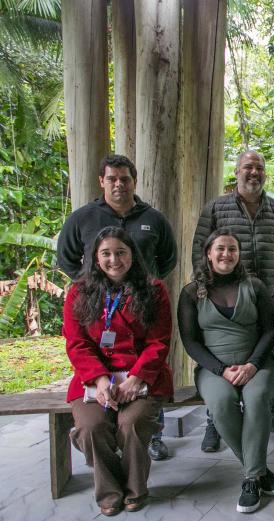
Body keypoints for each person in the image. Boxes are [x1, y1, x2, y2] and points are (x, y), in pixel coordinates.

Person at [57, 154, 177, 462]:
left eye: (125, 178)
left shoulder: (154, 218)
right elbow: (67, 257)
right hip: (98, 308)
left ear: (134, 181)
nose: (119, 184)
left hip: (142, 304)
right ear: (102, 182)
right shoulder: (83, 218)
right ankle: (101, 437)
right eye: (112, 178)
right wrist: (94, 286)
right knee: (100, 380)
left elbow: (168, 259)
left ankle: (153, 436)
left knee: (148, 367)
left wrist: (141, 287)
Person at [193, 150, 274, 449]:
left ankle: (272, 412)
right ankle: (215, 422)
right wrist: (206, 291)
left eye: (259, 168)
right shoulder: (216, 208)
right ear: (237, 172)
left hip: (269, 299)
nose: (254, 173)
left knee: (271, 354)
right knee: (222, 354)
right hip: (224, 300)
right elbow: (199, 251)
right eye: (248, 167)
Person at [63, 227, 174, 516]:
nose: (114, 259)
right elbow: (77, 343)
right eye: (106, 253)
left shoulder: (154, 289)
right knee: (91, 428)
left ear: (132, 255)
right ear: (96, 258)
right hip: (95, 378)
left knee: (132, 423)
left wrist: (136, 380)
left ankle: (136, 489)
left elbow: (159, 342)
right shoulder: (79, 291)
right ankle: (110, 491)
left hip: (142, 375)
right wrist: (100, 381)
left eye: (121, 252)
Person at [178, 229, 274, 513]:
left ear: (239, 255)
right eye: (221, 249)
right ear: (209, 253)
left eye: (232, 249)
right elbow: (190, 341)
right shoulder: (191, 293)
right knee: (222, 402)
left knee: (257, 397)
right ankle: (259, 473)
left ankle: (251, 478)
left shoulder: (255, 286)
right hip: (214, 368)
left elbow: (270, 330)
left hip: (257, 363)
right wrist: (222, 370)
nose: (226, 254)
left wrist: (252, 364)